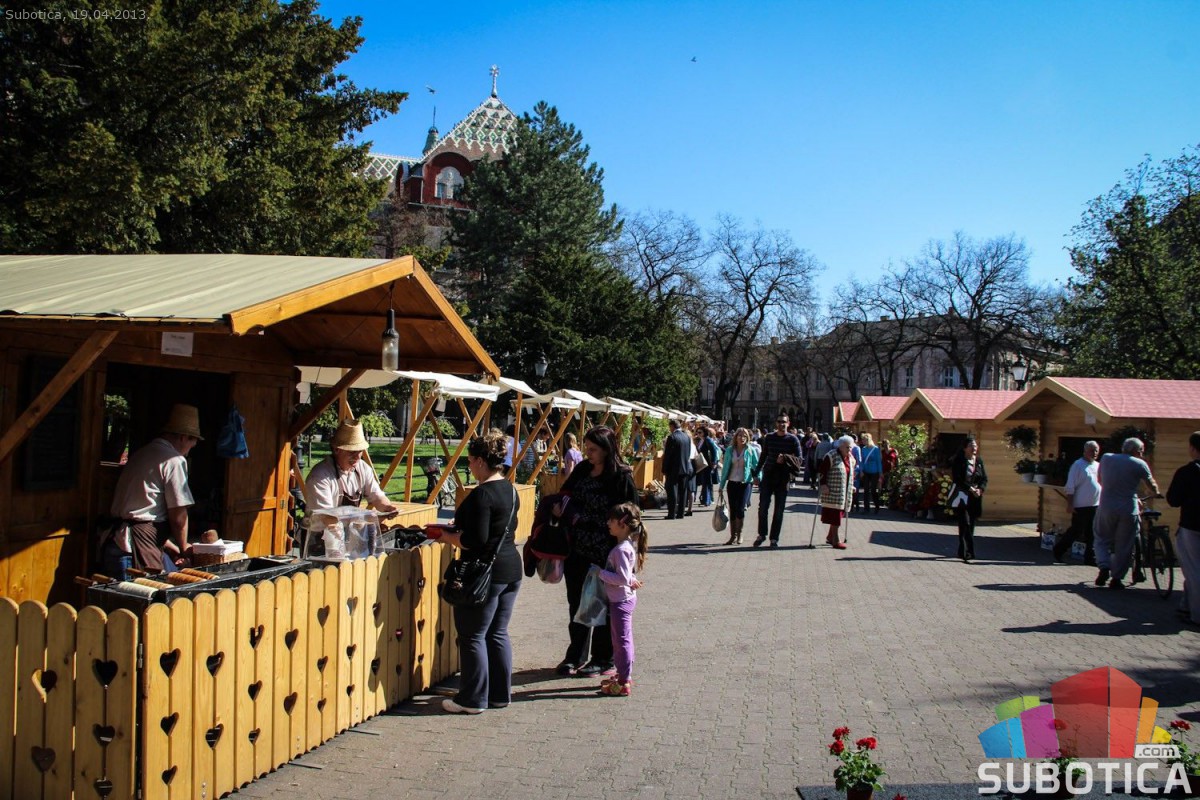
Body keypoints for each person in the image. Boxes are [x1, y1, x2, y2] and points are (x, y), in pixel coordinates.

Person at [434, 430, 521, 714]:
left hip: (485, 573)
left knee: (472, 635)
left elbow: (475, 540)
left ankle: (472, 699)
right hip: (511, 568)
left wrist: (446, 536)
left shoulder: (482, 494)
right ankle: (499, 694)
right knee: (498, 633)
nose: (469, 466)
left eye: (471, 460)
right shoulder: (510, 489)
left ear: (481, 461)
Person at [553, 426, 637, 678]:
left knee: (605, 604)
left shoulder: (621, 476)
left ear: (606, 449)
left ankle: (603, 658)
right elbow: (565, 493)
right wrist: (562, 510)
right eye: (587, 448)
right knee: (577, 602)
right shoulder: (582, 469)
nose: (588, 453)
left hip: (606, 553)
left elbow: (632, 513)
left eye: (593, 449)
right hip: (578, 548)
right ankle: (575, 655)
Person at [107, 403, 202, 571]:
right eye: (191, 444)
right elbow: (178, 517)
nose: (189, 451)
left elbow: (141, 513)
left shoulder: (140, 454)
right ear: (183, 437)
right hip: (134, 548)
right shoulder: (174, 460)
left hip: (114, 543)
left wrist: (172, 548)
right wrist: (183, 548)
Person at [595, 502, 648, 697]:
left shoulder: (621, 550)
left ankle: (624, 681)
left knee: (621, 641)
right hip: (622, 599)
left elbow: (622, 578)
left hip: (621, 602)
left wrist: (600, 573)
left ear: (622, 525)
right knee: (622, 638)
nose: (608, 523)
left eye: (612, 520)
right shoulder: (625, 547)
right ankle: (623, 674)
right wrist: (632, 580)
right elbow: (628, 576)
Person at [1094, 437, 1159, 589]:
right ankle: (1116, 578)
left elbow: (1100, 479)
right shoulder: (1140, 464)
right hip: (1128, 508)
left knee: (1101, 538)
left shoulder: (1106, 458)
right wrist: (1156, 492)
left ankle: (1104, 566)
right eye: (1142, 451)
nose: (1142, 454)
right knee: (1124, 545)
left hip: (1107, 506)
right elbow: (1151, 484)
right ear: (1137, 451)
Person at [304, 419, 399, 515]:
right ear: (337, 450)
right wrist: (365, 519)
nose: (357, 457)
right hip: (322, 524)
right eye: (352, 452)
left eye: (360, 451)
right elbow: (326, 518)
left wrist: (388, 508)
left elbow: (377, 496)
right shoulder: (320, 476)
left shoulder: (363, 468)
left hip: (350, 524)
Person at [751, 414, 802, 548]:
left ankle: (774, 538)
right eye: (779, 422)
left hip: (783, 478)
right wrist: (756, 474)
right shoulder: (769, 437)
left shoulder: (793, 439)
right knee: (763, 507)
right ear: (776, 423)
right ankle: (762, 534)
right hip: (768, 475)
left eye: (784, 422)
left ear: (788, 423)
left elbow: (800, 459)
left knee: (779, 510)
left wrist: (785, 458)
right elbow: (763, 456)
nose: (781, 424)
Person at [1166, 431, 1200, 626]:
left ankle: (1196, 614)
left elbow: (1173, 500)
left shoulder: (1187, 472)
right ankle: (1186, 605)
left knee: (1193, 570)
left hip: (1192, 525)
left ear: (1193, 449)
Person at [1053, 441, 1101, 565]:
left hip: (1095, 505)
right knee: (1076, 530)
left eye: (1096, 450)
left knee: (1092, 532)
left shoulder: (1098, 465)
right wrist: (1070, 504)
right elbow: (1070, 486)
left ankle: (1090, 557)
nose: (1094, 453)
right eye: (1092, 450)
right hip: (1081, 505)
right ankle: (1059, 550)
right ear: (1085, 451)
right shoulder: (1078, 465)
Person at [718, 427, 759, 545]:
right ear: (736, 437)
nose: (742, 438)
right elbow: (725, 468)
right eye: (740, 435)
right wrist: (721, 485)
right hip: (732, 483)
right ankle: (733, 536)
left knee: (741, 509)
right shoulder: (730, 450)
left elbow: (756, 465)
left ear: (748, 438)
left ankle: (740, 534)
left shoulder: (750, 450)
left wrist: (758, 477)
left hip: (745, 483)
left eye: (745, 436)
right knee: (733, 509)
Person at [950, 438, 988, 563]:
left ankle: (962, 550)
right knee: (965, 523)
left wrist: (980, 489)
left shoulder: (979, 461)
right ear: (965, 448)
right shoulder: (959, 461)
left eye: (975, 445)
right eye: (971, 445)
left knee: (970, 524)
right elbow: (957, 478)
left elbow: (984, 478)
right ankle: (969, 552)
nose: (974, 448)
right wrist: (969, 488)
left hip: (975, 497)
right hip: (962, 496)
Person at [818, 435, 857, 549]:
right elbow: (822, 471)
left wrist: (852, 485)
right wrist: (823, 485)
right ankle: (835, 540)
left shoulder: (851, 458)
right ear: (840, 446)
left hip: (844, 492)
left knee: (839, 514)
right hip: (833, 491)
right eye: (847, 447)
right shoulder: (831, 455)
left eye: (850, 447)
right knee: (836, 516)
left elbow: (851, 473)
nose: (849, 449)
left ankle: (830, 536)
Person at [662, 419, 694, 520]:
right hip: (685, 468)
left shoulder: (672, 437)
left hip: (673, 469)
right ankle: (681, 513)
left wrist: (664, 469)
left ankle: (671, 513)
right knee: (683, 491)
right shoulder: (687, 437)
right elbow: (688, 453)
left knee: (672, 491)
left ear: (672, 426)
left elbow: (668, 455)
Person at [859, 433, 883, 514]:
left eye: (864, 440)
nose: (862, 441)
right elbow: (862, 461)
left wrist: (880, 472)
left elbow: (878, 461)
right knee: (866, 490)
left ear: (868, 440)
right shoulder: (863, 449)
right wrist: (861, 470)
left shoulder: (875, 449)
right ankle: (866, 508)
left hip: (874, 472)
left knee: (873, 490)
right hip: (866, 472)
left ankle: (877, 506)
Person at [696, 427, 720, 507]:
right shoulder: (701, 440)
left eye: (700, 432)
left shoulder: (708, 440)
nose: (698, 434)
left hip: (708, 464)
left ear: (704, 433)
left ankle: (707, 500)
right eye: (697, 432)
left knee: (707, 482)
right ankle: (706, 499)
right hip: (703, 464)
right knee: (705, 482)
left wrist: (714, 462)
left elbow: (714, 451)